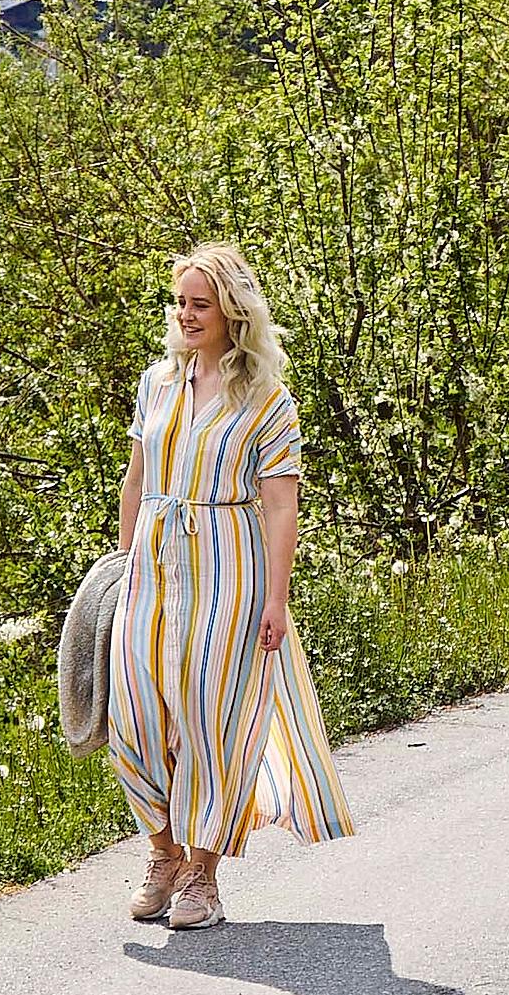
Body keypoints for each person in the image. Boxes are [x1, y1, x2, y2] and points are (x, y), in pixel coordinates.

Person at [110, 242, 352, 932]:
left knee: (211, 720)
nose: (187, 314)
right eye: (180, 302)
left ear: (231, 313)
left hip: (228, 564)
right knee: (135, 715)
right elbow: (134, 478)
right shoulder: (157, 382)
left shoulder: (268, 400)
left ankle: (201, 873)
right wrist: (121, 566)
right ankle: (160, 850)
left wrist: (276, 599)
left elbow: (280, 505)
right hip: (152, 563)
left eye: (200, 303)